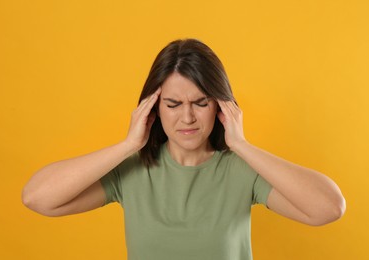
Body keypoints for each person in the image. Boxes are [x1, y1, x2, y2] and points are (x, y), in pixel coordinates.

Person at [22, 38, 346, 260]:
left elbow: (329, 208)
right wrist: (128, 145)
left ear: (220, 105)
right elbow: (38, 198)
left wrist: (241, 145)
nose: (187, 117)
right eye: (173, 104)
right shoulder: (132, 172)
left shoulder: (241, 171)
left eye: (200, 102)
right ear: (153, 108)